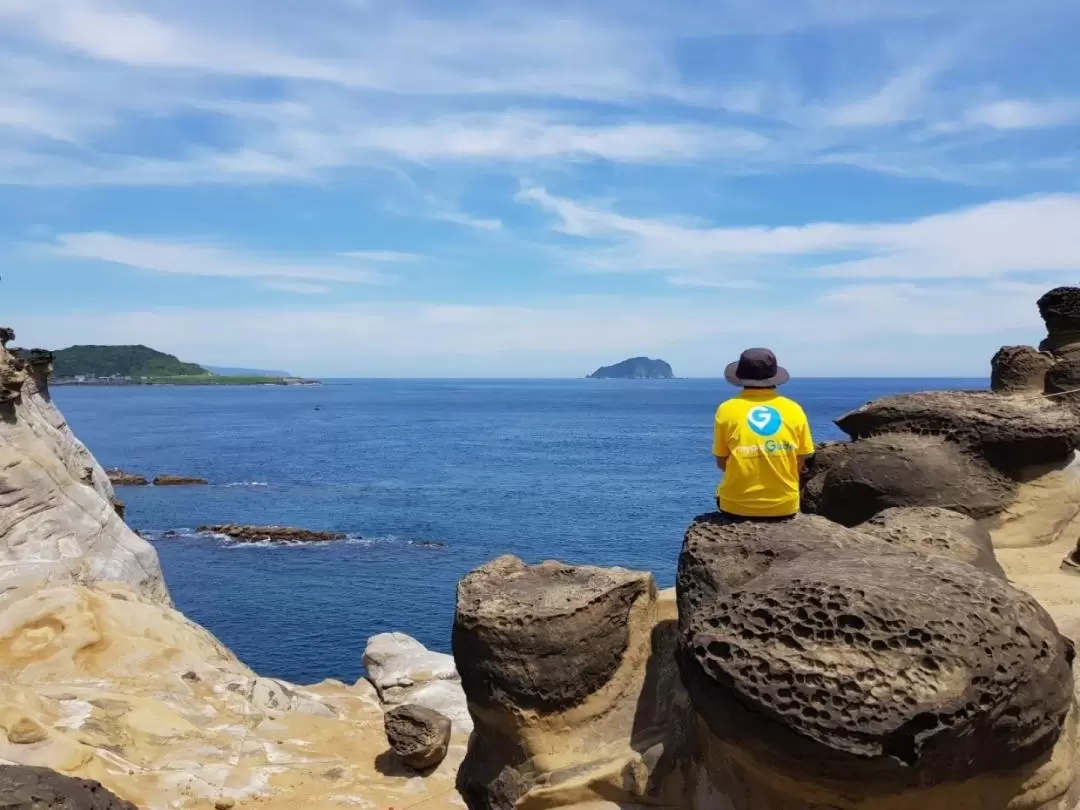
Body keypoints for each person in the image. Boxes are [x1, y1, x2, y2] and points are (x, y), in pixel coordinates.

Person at [712, 348, 814, 521]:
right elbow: (804, 456)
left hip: (736, 505)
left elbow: (722, 461)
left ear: (740, 377)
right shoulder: (793, 409)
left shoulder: (727, 409)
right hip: (785, 505)